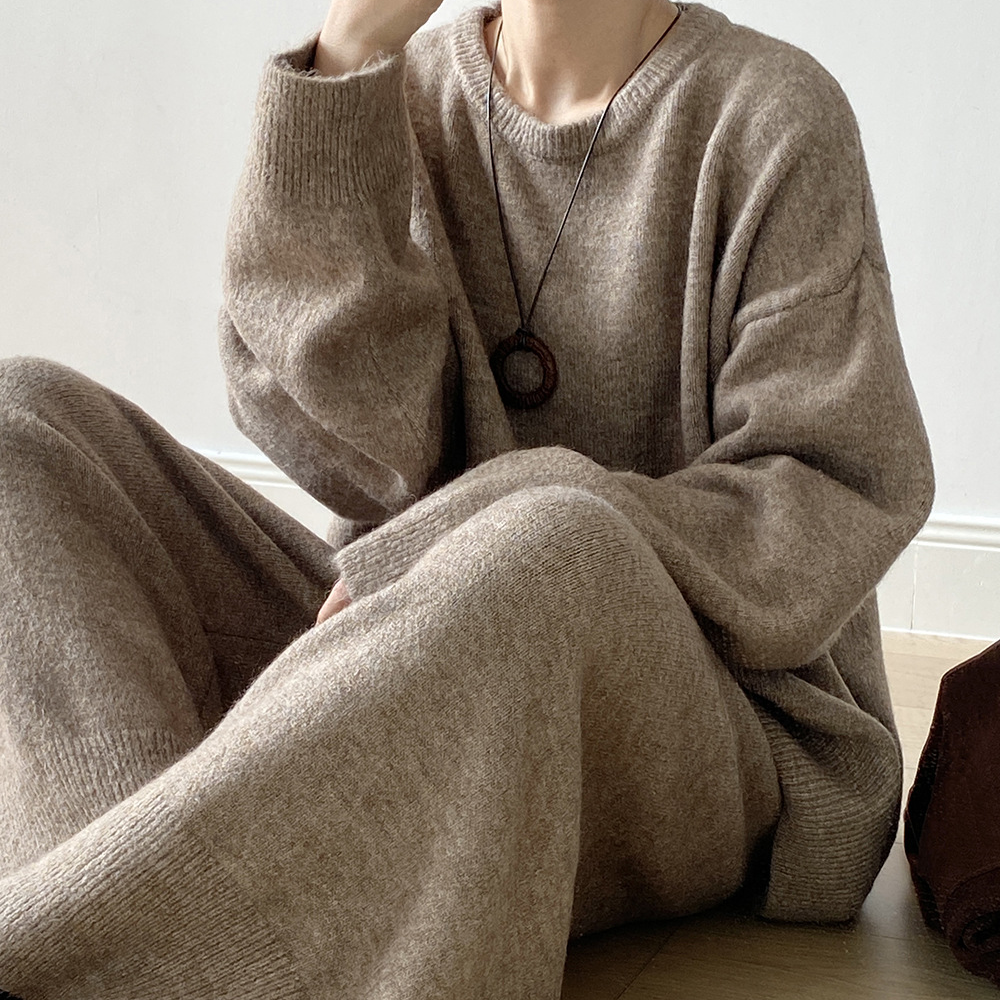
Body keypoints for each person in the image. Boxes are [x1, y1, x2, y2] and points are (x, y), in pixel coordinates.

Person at [0, 0, 935, 997]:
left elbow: (831, 488)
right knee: (24, 422)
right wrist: (343, 64)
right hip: (393, 648)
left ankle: (66, 956)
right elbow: (358, 455)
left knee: (548, 543)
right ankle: (109, 922)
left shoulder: (774, 113)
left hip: (725, 717)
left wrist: (501, 511)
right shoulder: (406, 94)